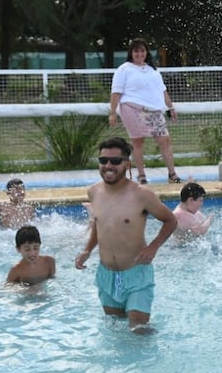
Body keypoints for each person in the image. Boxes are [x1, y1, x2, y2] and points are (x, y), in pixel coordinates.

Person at [74, 137, 178, 333]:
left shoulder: (142, 195)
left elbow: (171, 220)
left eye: (115, 161)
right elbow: (99, 223)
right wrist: (87, 250)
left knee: (139, 329)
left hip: (136, 274)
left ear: (127, 164)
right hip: (107, 275)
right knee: (115, 326)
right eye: (103, 161)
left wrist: (153, 247)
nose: (108, 166)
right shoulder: (94, 192)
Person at [109, 38, 182, 185]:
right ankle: (141, 175)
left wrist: (170, 107)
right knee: (138, 141)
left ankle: (172, 174)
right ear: (131, 52)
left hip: (154, 110)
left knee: (165, 140)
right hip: (132, 108)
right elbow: (116, 92)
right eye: (136, 51)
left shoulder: (152, 70)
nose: (139, 54)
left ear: (146, 52)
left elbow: (162, 90)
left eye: (142, 50)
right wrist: (112, 112)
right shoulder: (124, 69)